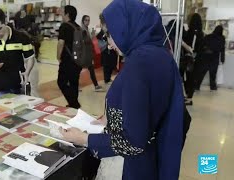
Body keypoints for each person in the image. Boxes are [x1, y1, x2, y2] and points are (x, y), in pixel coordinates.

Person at [60, 0, 184, 180]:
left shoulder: (139, 64)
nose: (109, 44)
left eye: (109, 35)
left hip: (131, 166)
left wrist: (84, 139)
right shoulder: (158, 53)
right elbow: (146, 107)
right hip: (151, 158)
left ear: (125, 27)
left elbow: (132, 142)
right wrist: (111, 118)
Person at [57, 5, 82, 109]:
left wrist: (58, 57)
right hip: (78, 60)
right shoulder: (78, 27)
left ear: (67, 14)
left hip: (68, 60)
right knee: (74, 83)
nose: (61, 13)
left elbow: (61, 43)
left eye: (62, 11)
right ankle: (73, 104)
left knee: (61, 82)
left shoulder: (64, 26)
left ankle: (74, 103)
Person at [182, 13, 204, 105]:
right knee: (192, 78)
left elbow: (191, 48)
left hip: (189, 58)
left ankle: (189, 98)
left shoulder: (191, 32)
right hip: (197, 60)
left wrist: (183, 43)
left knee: (188, 78)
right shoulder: (201, 33)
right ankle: (189, 97)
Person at [195, 25, 225, 91]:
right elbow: (222, 49)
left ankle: (197, 86)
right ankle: (213, 87)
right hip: (215, 58)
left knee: (202, 73)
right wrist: (222, 59)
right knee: (213, 74)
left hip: (206, 57)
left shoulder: (208, 36)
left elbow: (202, 46)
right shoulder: (222, 38)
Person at [81, 15, 104, 92]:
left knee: (90, 69)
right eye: (86, 20)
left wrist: (93, 36)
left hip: (87, 53)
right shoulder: (82, 30)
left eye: (88, 20)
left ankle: (96, 86)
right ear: (83, 21)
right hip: (84, 54)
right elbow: (85, 41)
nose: (87, 22)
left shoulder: (86, 29)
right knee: (77, 70)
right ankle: (72, 85)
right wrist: (93, 36)